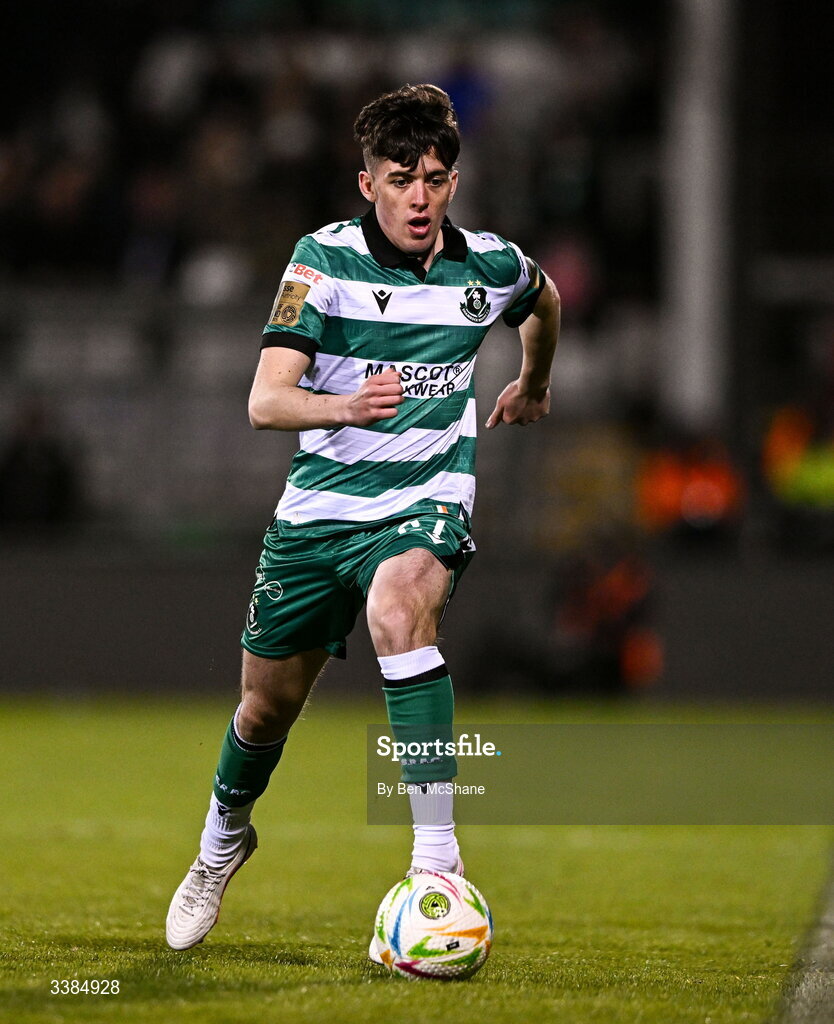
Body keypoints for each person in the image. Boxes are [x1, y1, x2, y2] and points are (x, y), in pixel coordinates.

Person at [165, 83, 560, 953]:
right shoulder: (322, 262)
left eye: (437, 178)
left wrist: (533, 382)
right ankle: (222, 840)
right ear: (366, 183)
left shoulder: (485, 265)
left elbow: (544, 298)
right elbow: (265, 403)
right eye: (402, 178)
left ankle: (436, 860)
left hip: (424, 502)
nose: (421, 197)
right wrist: (341, 408)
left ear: (454, 180)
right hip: (319, 515)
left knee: (399, 603)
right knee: (265, 710)